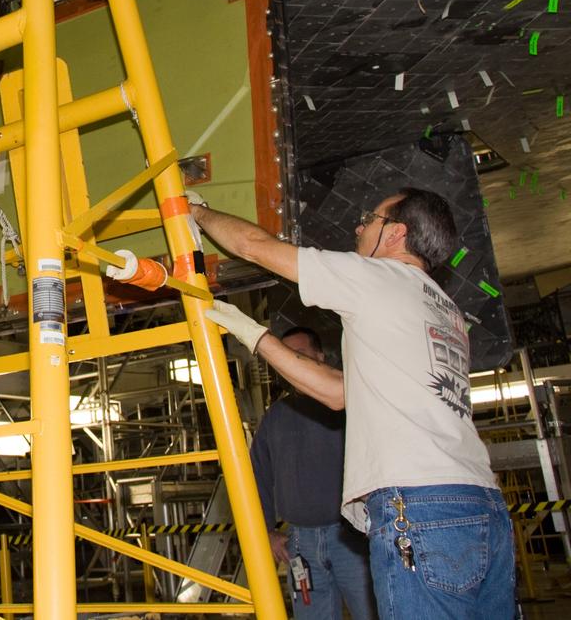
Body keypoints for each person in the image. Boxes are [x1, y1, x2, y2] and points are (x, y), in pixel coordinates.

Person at [193, 187, 513, 619]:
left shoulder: (377, 278)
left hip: (420, 507)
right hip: (481, 504)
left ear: (397, 233)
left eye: (371, 219)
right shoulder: (444, 308)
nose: (359, 226)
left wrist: (196, 211)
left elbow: (254, 247)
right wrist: (256, 336)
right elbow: (338, 393)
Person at [249, 325, 376, 620]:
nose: (292, 361)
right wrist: (266, 532)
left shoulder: (347, 403)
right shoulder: (275, 417)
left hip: (353, 538)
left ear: (320, 355)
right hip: (300, 543)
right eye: (286, 355)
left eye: (300, 353)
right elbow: (257, 476)